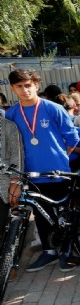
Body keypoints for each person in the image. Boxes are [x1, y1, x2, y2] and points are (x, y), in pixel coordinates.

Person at [6, 69, 80, 272]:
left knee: (62, 213)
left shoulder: (53, 108)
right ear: (13, 89)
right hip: (30, 173)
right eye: (19, 86)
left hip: (57, 172)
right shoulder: (12, 114)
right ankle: (49, 252)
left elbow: (72, 137)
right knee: (40, 214)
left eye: (28, 85)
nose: (25, 90)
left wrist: (61, 157)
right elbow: (12, 145)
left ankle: (67, 251)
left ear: (36, 85)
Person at [0, 114, 24, 281]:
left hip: (4, 184)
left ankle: (8, 266)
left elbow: (17, 155)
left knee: (5, 228)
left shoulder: (8, 126)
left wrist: (16, 182)